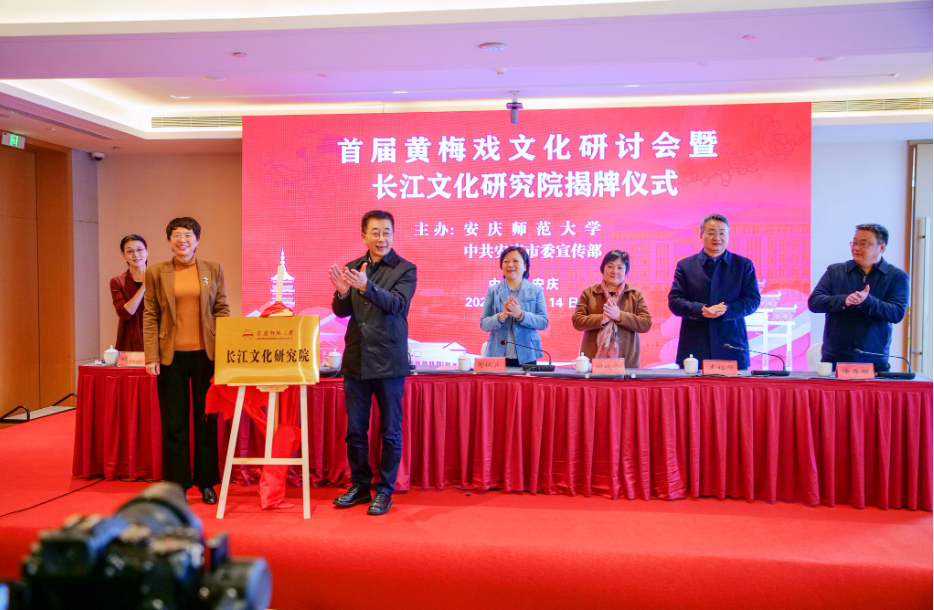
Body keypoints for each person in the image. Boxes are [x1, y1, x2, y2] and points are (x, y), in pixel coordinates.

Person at [329, 210, 417, 516]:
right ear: (364, 236)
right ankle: (360, 486)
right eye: (376, 232)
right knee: (355, 430)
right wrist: (343, 293)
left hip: (389, 360)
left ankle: (385, 490)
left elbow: (397, 305)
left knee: (390, 432)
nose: (382, 238)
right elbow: (341, 311)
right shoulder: (354, 267)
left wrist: (367, 287)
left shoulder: (405, 269)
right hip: (357, 358)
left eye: (387, 232)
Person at [143, 217, 229, 504]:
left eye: (188, 235)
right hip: (171, 357)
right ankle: (177, 484)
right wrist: (152, 355)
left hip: (206, 356)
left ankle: (207, 482)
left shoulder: (213, 269)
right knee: (174, 423)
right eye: (177, 235)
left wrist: (224, 350)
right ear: (169, 241)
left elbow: (222, 309)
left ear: (197, 240)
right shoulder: (156, 272)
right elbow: (151, 315)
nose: (182, 240)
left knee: (206, 421)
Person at [808, 223, 909, 371]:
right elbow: (814, 302)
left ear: (881, 247)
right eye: (854, 243)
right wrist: (845, 300)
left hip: (874, 362)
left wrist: (868, 301)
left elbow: (897, 313)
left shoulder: (896, 277)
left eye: (863, 244)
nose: (856, 248)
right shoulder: (835, 271)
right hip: (835, 360)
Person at [667, 214, 761, 369]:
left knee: (734, 386)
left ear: (728, 236)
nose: (717, 238)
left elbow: (752, 300)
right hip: (694, 346)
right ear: (701, 236)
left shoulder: (743, 265)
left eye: (722, 233)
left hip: (732, 345)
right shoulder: (686, 266)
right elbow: (675, 301)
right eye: (711, 233)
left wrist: (726, 309)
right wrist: (701, 309)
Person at [572, 250, 652, 366]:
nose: (614, 271)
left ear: (626, 271)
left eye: (620, 268)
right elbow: (577, 321)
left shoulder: (634, 294)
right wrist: (602, 319)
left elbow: (646, 324)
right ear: (603, 268)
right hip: (593, 363)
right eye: (610, 266)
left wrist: (619, 316)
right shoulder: (589, 293)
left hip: (626, 364)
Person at [479, 246, 549, 367]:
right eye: (506, 261)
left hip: (527, 354)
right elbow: (484, 324)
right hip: (497, 354)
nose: (510, 265)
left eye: (515, 261)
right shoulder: (493, 291)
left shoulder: (536, 290)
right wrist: (502, 316)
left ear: (525, 266)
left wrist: (521, 315)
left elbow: (543, 322)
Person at [110, 234, 148, 352]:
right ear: (123, 255)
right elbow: (125, 313)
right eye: (130, 251)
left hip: (155, 339)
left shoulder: (159, 278)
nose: (136, 255)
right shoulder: (117, 281)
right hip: (129, 341)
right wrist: (144, 287)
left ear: (146, 251)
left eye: (139, 250)